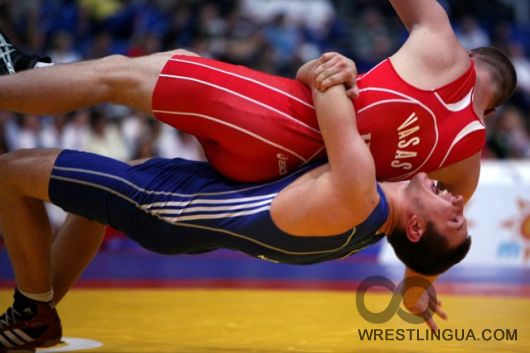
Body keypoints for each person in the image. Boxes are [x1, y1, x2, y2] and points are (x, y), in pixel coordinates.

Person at [0, 79, 470, 351]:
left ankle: (32, 309)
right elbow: (420, 246)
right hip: (190, 206)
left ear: (413, 226)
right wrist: (414, 288)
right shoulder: (370, 225)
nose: (457, 201)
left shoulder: (360, 196)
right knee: (89, 208)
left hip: (162, 204)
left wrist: (330, 69)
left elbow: (327, 87)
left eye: (454, 217)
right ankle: (40, 314)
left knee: (8, 173)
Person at [0, 0, 517, 202]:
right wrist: (415, 284)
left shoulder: (444, 45)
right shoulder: (465, 161)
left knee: (118, 75)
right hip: (273, 187)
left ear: (471, 57)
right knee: (107, 191)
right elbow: (433, 235)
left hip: (270, 119)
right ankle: (38, 308)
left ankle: (22, 75)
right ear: (491, 111)